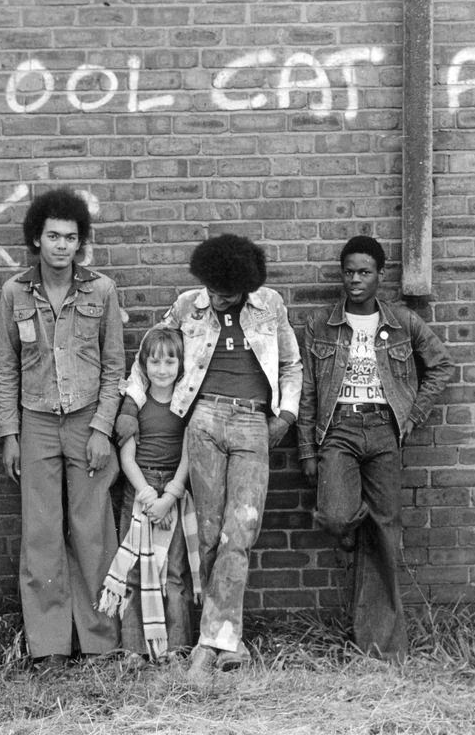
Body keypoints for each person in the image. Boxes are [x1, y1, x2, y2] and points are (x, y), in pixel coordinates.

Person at [118, 234, 302, 678]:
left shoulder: (269, 305)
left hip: (252, 422)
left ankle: (214, 639)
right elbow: (150, 356)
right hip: (201, 420)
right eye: (213, 291)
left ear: (246, 287)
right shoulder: (188, 305)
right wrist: (129, 403)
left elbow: (292, 365)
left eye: (228, 294)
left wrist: (287, 416)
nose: (218, 300)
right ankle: (221, 640)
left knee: (242, 529)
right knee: (210, 532)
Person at [297, 235, 453, 661]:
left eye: (364, 272)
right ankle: (355, 525)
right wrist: (308, 451)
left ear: (380, 275)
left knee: (386, 533)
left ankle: (382, 646)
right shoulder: (320, 325)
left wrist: (411, 416)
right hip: (339, 429)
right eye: (349, 272)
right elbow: (308, 391)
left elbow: (440, 366)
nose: (355, 280)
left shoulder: (402, 322)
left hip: (384, 429)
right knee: (335, 514)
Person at [0, 187, 125, 668]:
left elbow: (115, 367)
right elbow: (5, 368)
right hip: (37, 423)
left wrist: (102, 428)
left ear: (80, 243)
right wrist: (10, 433)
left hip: (88, 420)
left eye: (71, 237)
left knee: (93, 532)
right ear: (36, 239)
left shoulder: (101, 290)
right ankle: (48, 644)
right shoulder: (14, 293)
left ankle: (99, 641)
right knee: (42, 534)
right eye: (52, 236)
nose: (61, 246)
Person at [97, 328, 201, 665]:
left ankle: (176, 647)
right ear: (144, 364)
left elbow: (189, 456)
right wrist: (146, 495)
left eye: (170, 361)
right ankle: (135, 649)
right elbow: (127, 457)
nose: (162, 369)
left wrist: (168, 497)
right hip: (139, 489)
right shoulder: (135, 403)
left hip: (174, 491)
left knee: (172, 572)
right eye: (154, 361)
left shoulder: (186, 404)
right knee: (136, 569)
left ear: (180, 364)